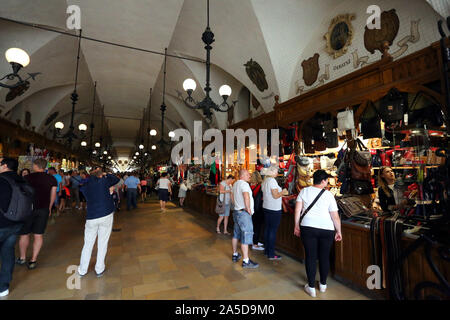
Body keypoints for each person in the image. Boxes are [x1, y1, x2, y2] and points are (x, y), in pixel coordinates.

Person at [294, 170, 342, 298]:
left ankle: (311, 287)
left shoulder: (304, 191)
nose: (327, 182)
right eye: (326, 180)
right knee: (324, 257)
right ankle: (323, 285)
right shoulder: (329, 195)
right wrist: (339, 231)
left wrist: (296, 225)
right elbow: (335, 216)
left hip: (308, 228)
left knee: (310, 256)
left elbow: (298, 210)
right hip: (327, 229)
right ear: (323, 181)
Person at [78, 167, 119, 277]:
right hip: (106, 214)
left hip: (91, 216)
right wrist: (106, 174)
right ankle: (99, 268)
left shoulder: (85, 186)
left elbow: (83, 184)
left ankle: (82, 269)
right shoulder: (105, 181)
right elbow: (115, 179)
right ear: (100, 175)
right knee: (102, 243)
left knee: (88, 244)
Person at [17, 158, 57, 270]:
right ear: (44, 167)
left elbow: (21, 194)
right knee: (38, 235)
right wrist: (49, 208)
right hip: (43, 209)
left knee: (24, 234)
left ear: (35, 166)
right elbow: (53, 195)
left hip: (27, 209)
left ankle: (22, 257)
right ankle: (33, 260)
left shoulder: (27, 178)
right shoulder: (51, 178)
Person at [0, 158, 28, 296]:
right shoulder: (22, 180)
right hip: (17, 222)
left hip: (2, 223)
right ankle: (3, 287)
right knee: (8, 252)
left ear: (5, 166)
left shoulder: (2, 180)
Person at [231, 169, 259, 269]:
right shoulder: (244, 184)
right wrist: (247, 209)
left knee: (235, 234)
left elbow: (232, 197)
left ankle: (234, 254)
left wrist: (236, 205)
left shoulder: (235, 184)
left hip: (237, 211)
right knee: (246, 236)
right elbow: (246, 196)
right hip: (243, 213)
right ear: (242, 175)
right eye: (247, 174)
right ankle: (246, 260)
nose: (249, 176)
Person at [261, 166, 288, 260]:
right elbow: (276, 195)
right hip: (274, 209)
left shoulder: (265, 181)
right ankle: (271, 254)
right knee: (272, 231)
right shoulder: (272, 181)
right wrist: (283, 192)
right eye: (276, 171)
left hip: (267, 207)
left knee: (268, 229)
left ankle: (267, 251)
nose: (277, 172)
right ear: (272, 172)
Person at [249, 171, 265, 251]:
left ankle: (254, 241)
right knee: (257, 227)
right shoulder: (260, 186)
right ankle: (255, 244)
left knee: (253, 226)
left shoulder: (249, 185)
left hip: (251, 208)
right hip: (258, 209)